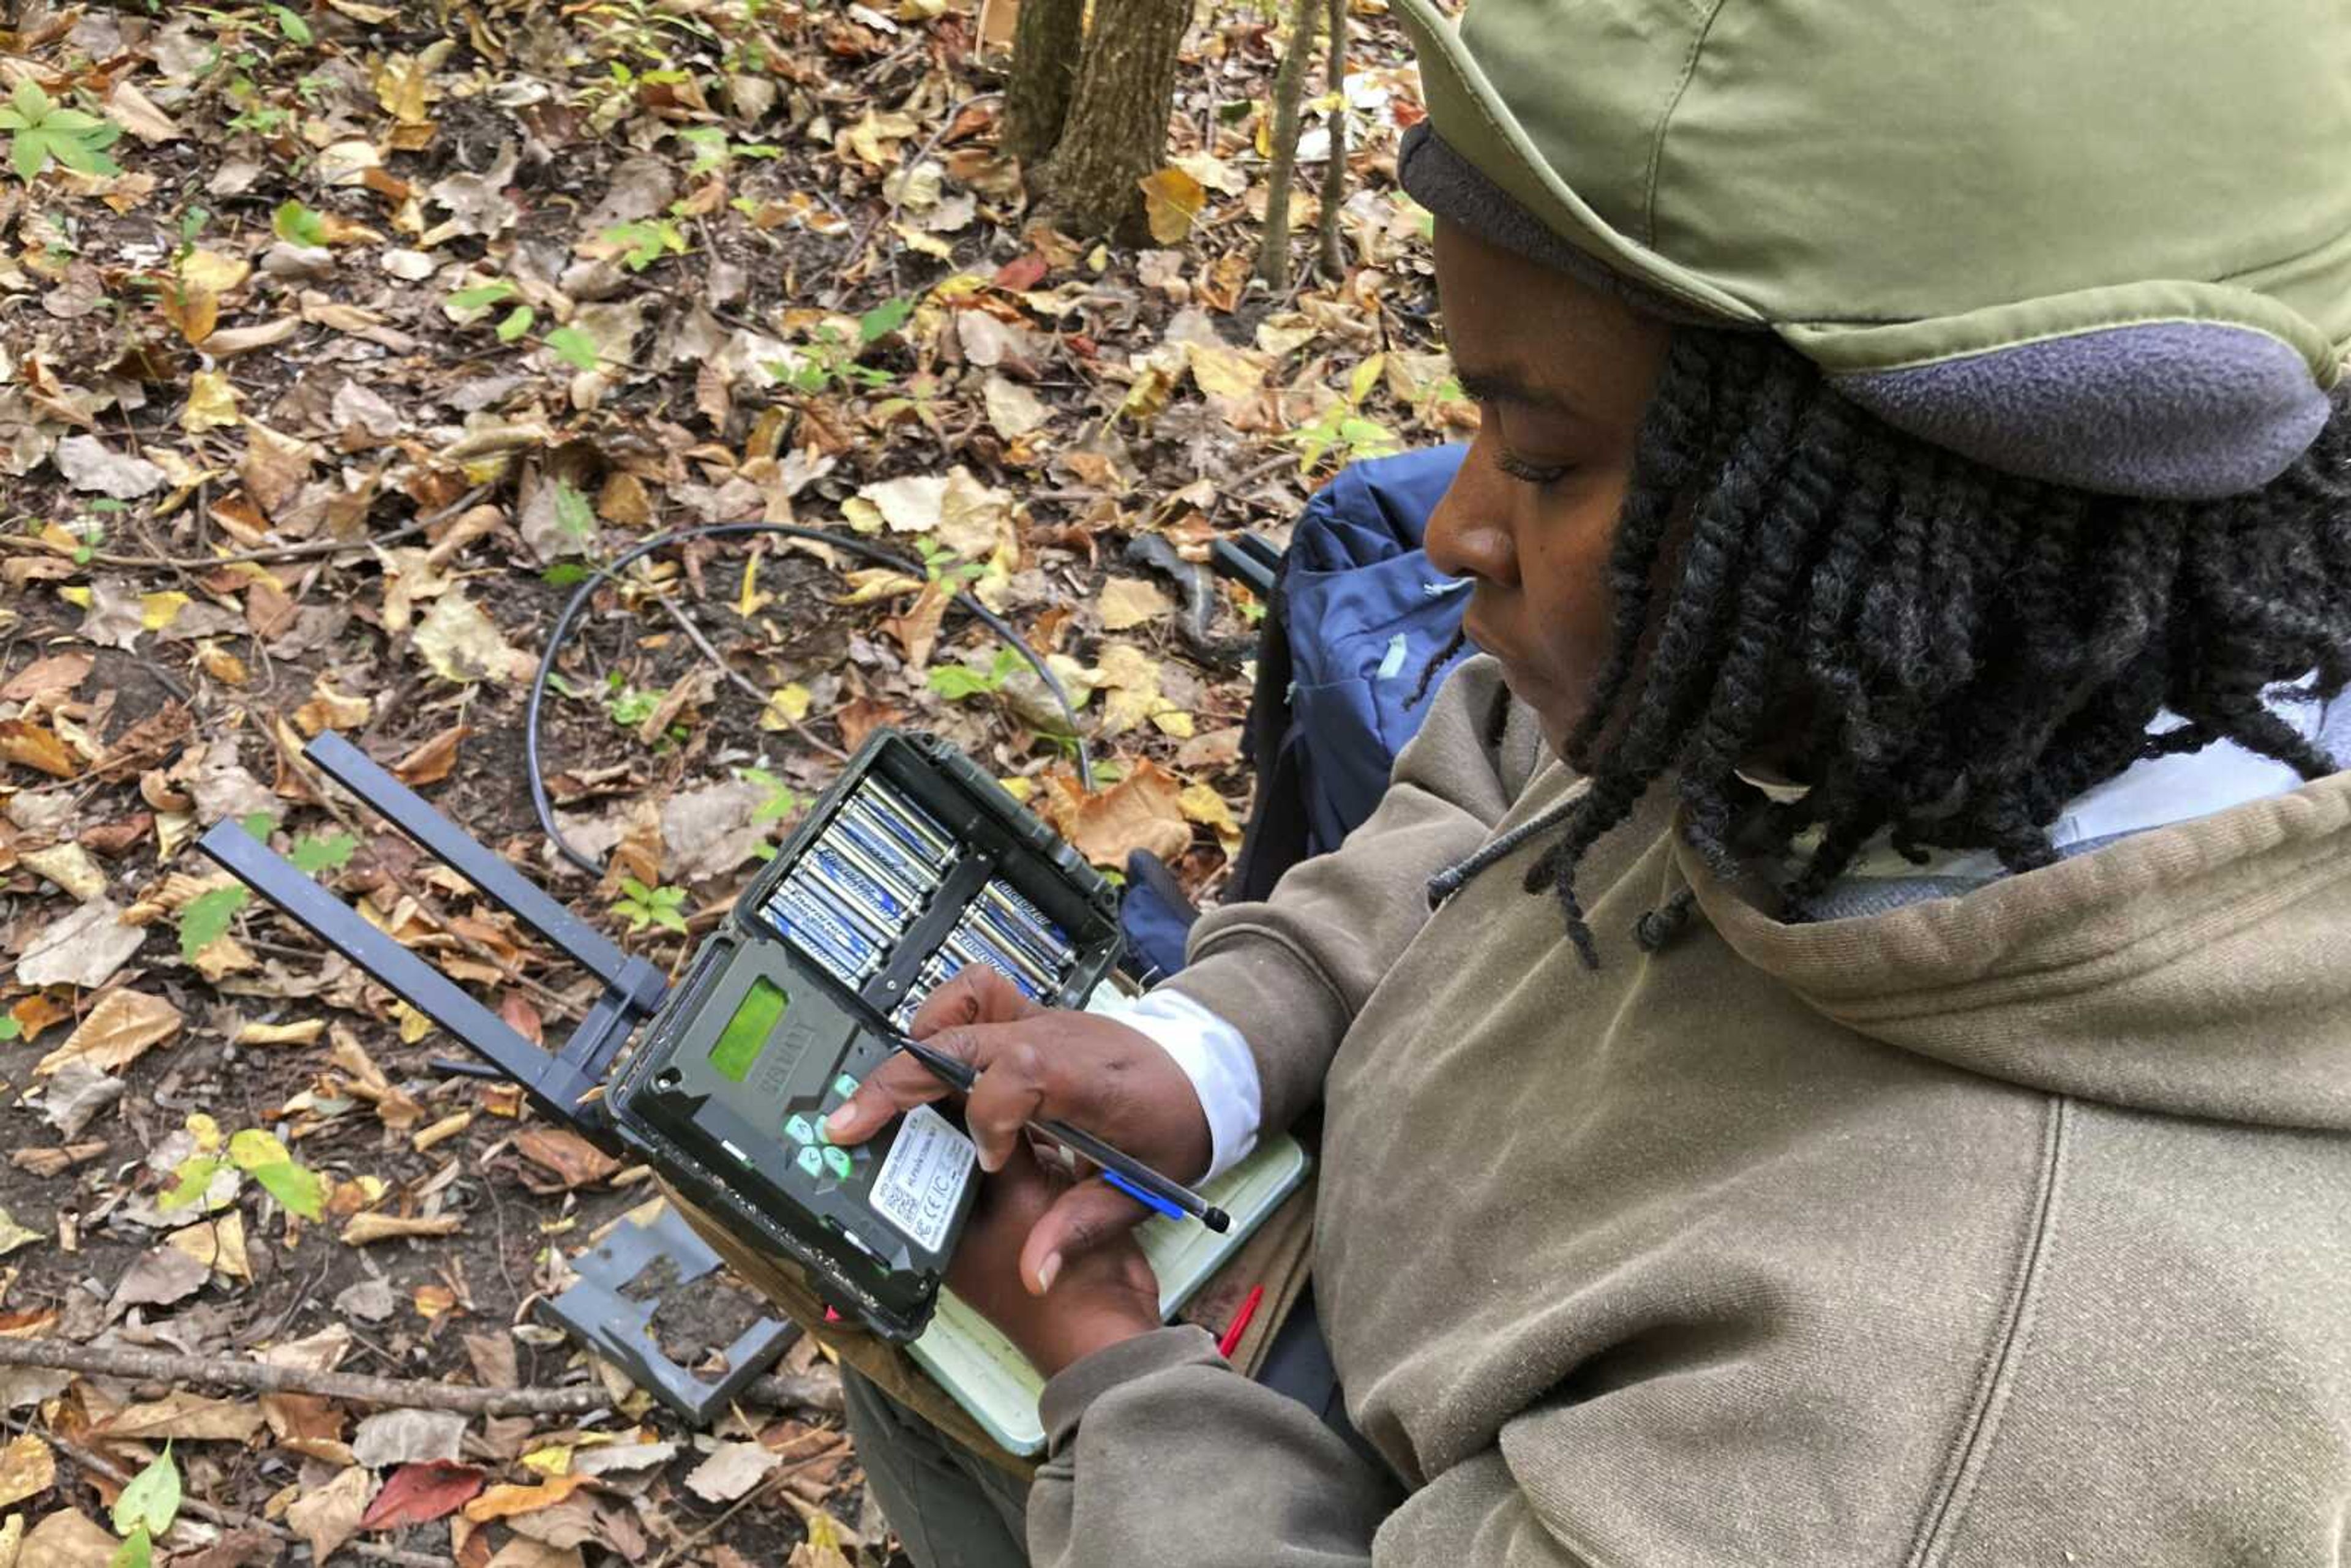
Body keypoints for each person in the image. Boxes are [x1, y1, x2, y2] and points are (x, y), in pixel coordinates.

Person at [822, 0, 2351, 1560]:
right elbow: (1511, 767)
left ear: (1903, 536)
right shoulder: (1886, 698)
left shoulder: (1935, 1446)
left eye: (1543, 462)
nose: (1451, 529)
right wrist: (1226, 1042)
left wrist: (1111, 1376)